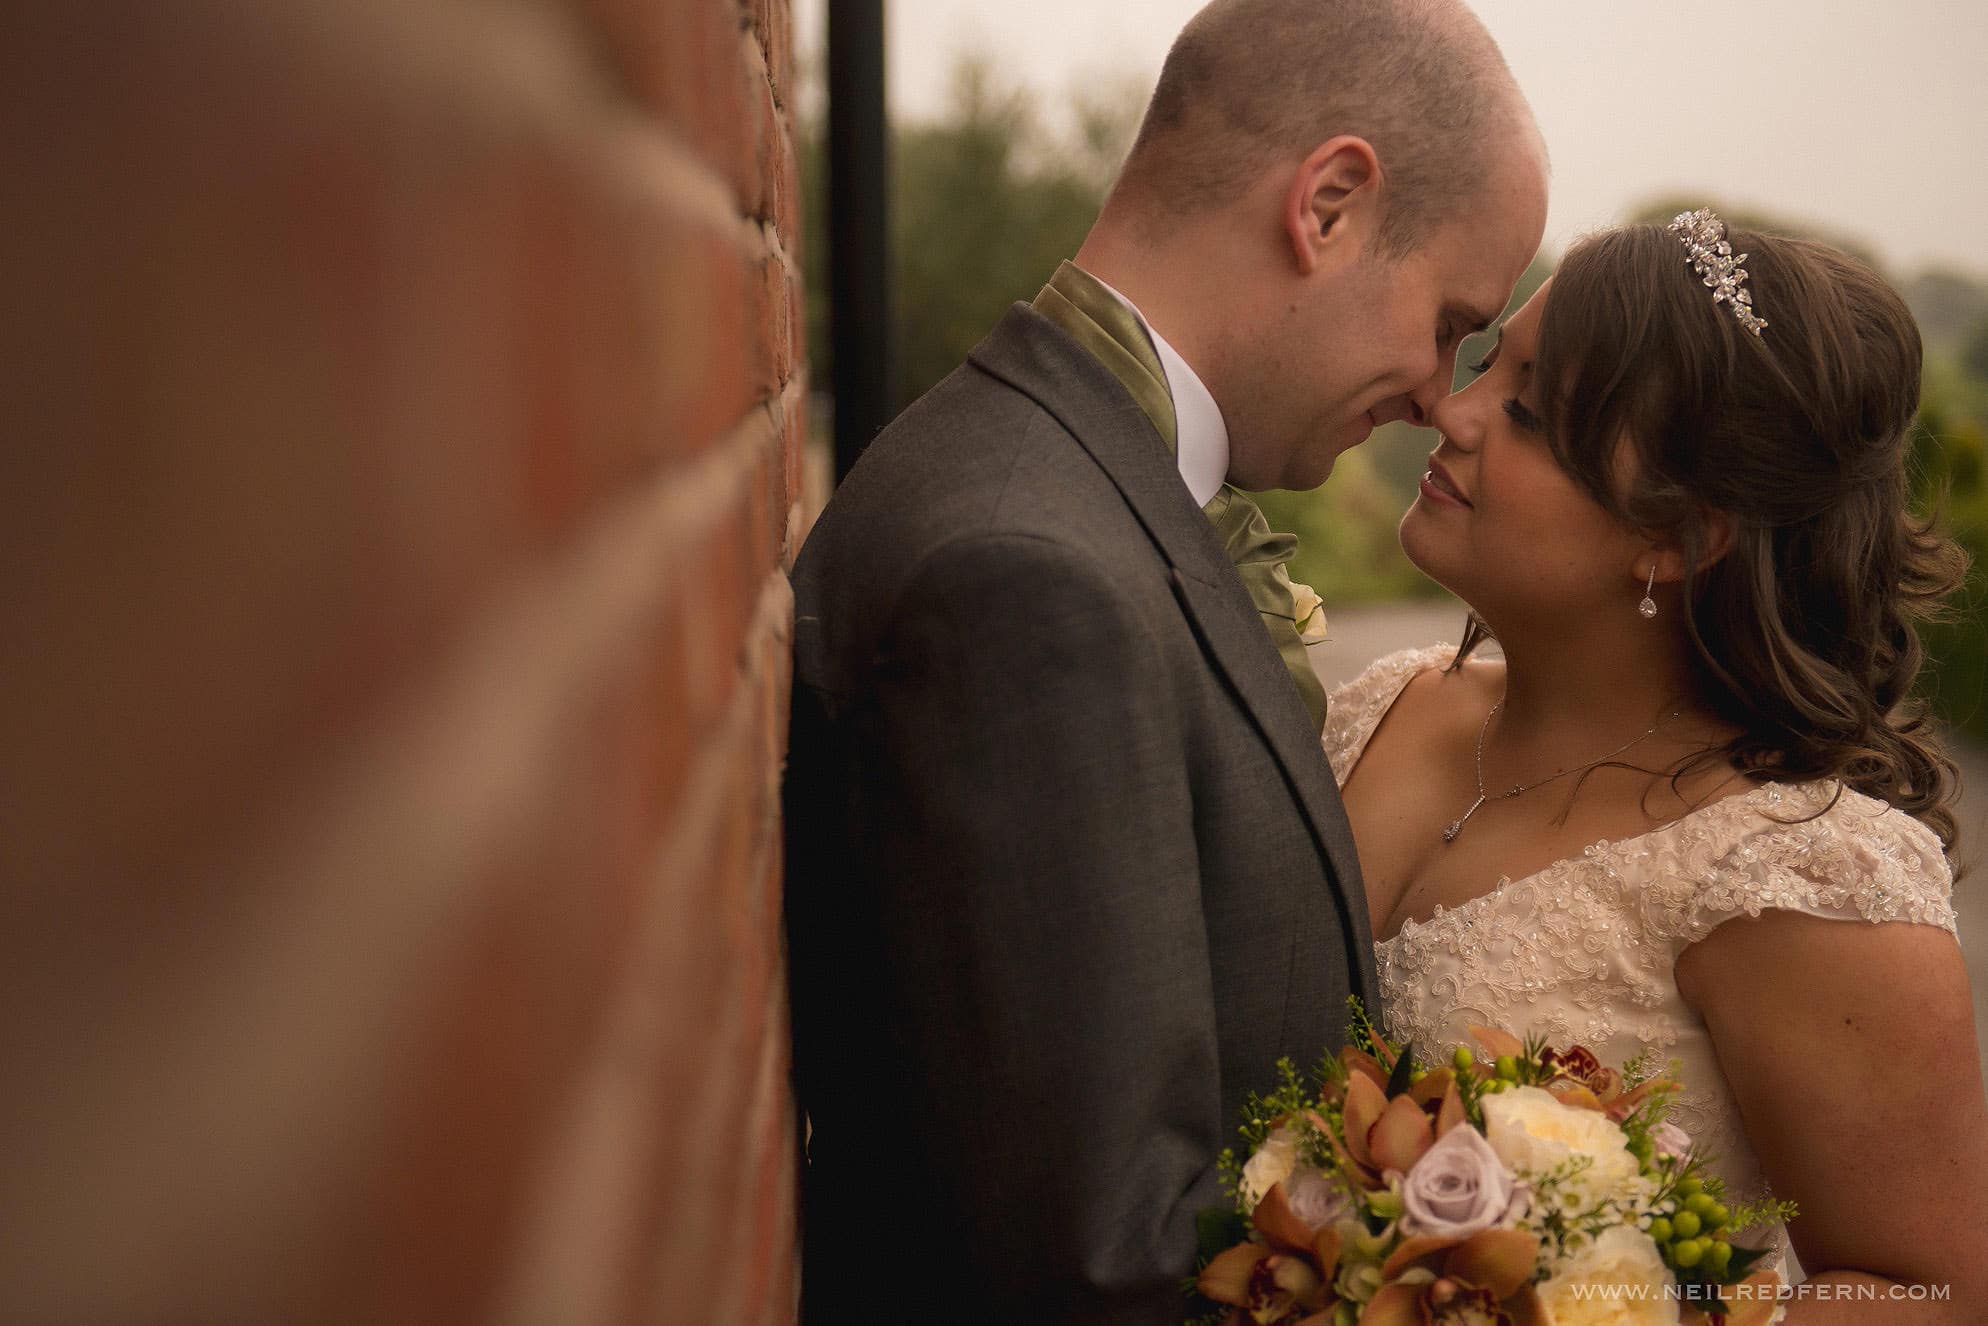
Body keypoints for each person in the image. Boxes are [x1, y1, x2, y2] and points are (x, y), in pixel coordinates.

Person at [783, 0, 1547, 1316]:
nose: (1437, 393)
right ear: (1331, 206)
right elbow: (1089, 1263)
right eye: (1450, 321)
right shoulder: (1029, 574)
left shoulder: (1070, 481)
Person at [1330, 211, 1988, 1316]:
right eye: (1487, 363)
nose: (1449, 408)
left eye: (1528, 414)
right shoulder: (1386, 704)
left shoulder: (1801, 872)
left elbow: (1934, 1290)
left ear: (1681, 536)